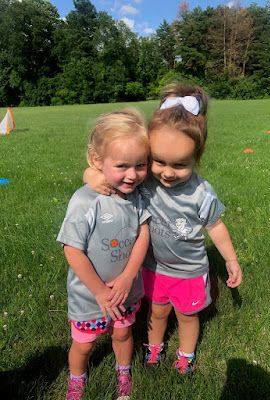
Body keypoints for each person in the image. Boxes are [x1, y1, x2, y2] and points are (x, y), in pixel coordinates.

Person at [83, 82, 242, 375]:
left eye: (180, 165)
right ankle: (154, 347)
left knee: (188, 315)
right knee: (157, 311)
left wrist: (230, 259)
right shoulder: (145, 180)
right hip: (154, 267)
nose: (167, 172)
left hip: (190, 271)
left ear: (198, 155)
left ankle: (186, 354)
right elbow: (107, 173)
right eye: (158, 161)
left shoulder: (201, 193)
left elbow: (216, 227)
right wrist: (91, 176)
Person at [57, 108, 150, 400]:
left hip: (125, 293)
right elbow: (72, 249)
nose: (133, 175)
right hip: (90, 298)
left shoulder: (136, 196)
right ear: (97, 161)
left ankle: (123, 373)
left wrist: (128, 277)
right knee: (84, 345)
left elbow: (142, 234)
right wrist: (98, 292)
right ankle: (77, 380)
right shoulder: (85, 200)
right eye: (122, 165)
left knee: (123, 334)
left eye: (140, 165)